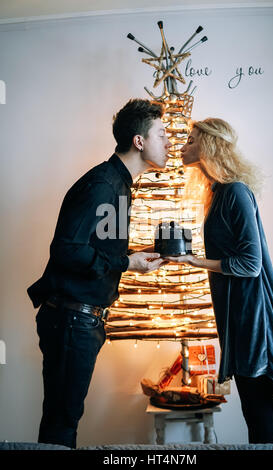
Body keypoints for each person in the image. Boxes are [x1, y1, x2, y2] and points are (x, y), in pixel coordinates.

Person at [27, 98, 171, 448]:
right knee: (62, 423)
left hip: (81, 321)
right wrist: (126, 263)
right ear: (139, 141)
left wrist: (133, 258)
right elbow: (67, 249)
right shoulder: (104, 185)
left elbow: (97, 250)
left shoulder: (119, 186)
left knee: (64, 419)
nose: (169, 142)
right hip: (72, 320)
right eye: (162, 134)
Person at [165, 118, 273, 443]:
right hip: (239, 320)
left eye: (190, 141)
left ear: (208, 146)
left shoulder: (236, 192)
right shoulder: (218, 193)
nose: (183, 146)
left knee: (260, 421)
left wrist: (194, 261)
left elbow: (250, 264)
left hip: (255, 321)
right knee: (254, 416)